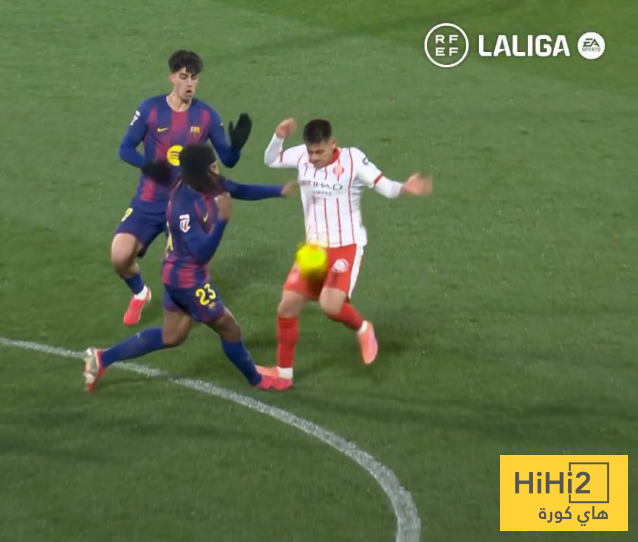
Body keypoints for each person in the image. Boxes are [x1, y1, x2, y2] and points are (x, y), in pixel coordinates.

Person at [84, 144, 293, 393]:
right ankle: (257, 379)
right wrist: (222, 220)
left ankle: (102, 358)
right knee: (229, 327)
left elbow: (238, 188)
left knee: (172, 335)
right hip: (188, 280)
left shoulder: (205, 183)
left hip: (175, 273)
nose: (217, 171)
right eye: (212, 167)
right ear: (200, 172)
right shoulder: (183, 207)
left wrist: (278, 191)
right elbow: (201, 253)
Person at [256, 118, 433, 384]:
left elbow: (385, 187)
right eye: (310, 151)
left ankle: (363, 328)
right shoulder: (302, 156)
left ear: (333, 144)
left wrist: (405, 187)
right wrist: (278, 136)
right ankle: (283, 374)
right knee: (287, 307)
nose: (314, 158)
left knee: (330, 306)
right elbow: (270, 160)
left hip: (345, 246)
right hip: (313, 250)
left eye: (319, 151)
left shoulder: (353, 160)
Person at [113, 49, 252, 325]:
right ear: (172, 77)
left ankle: (185, 318)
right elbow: (125, 149)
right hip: (149, 200)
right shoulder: (150, 109)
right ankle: (140, 293)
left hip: (185, 205)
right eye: (184, 77)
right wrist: (149, 166)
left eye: (194, 78)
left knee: (176, 270)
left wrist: (236, 146)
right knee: (119, 257)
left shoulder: (207, 115)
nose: (190, 83)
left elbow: (228, 160)